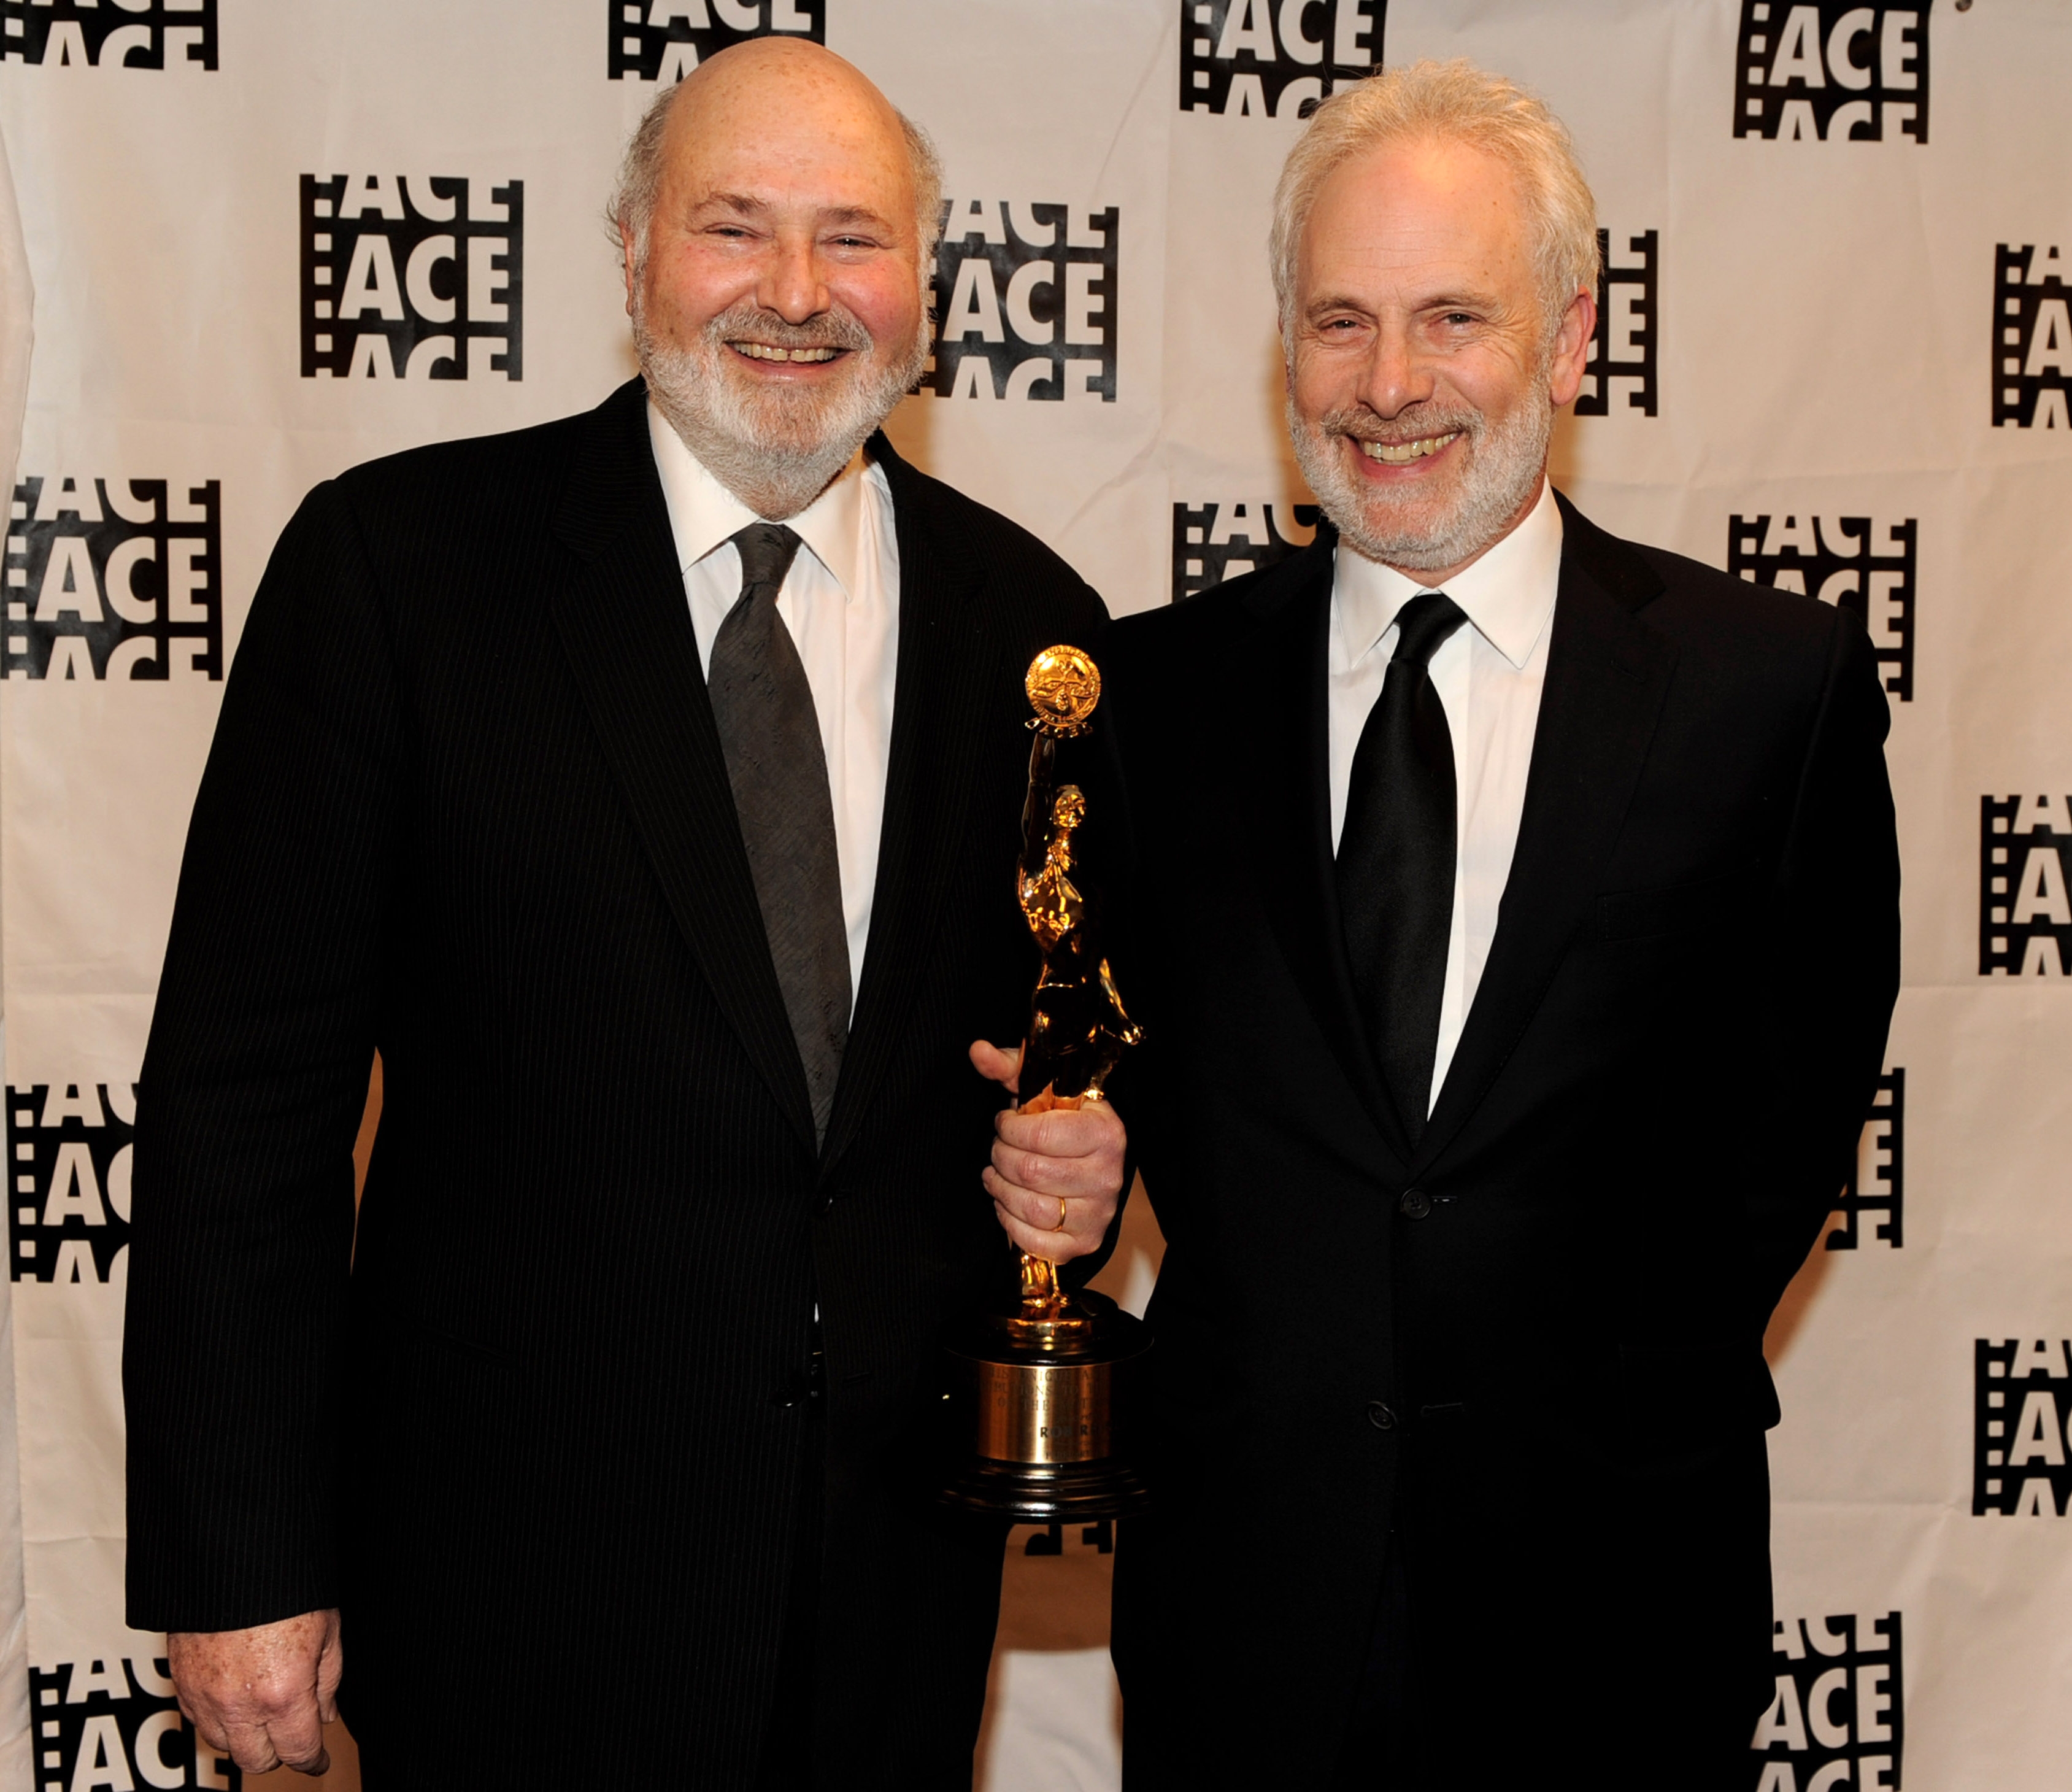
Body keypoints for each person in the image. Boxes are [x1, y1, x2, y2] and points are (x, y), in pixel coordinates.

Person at [123, 39, 1126, 1792]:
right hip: (507, 1600)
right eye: (735, 227)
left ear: (926, 282)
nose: (797, 292)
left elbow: (1042, 1065)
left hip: (883, 1605)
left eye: (854, 237)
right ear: (633, 249)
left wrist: (1079, 1175)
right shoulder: (400, 572)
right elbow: (242, 1109)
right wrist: (241, 1562)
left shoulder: (1038, 635)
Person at [1100, 60, 1900, 1787]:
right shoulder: (1147, 702)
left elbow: (1786, 1135)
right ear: (1285, 345)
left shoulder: (1768, 695)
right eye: (1341, 321)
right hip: (1243, 1611)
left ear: (1570, 341)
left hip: (1614, 1605)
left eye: (1453, 317)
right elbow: (1100, 1089)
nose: (1388, 385)